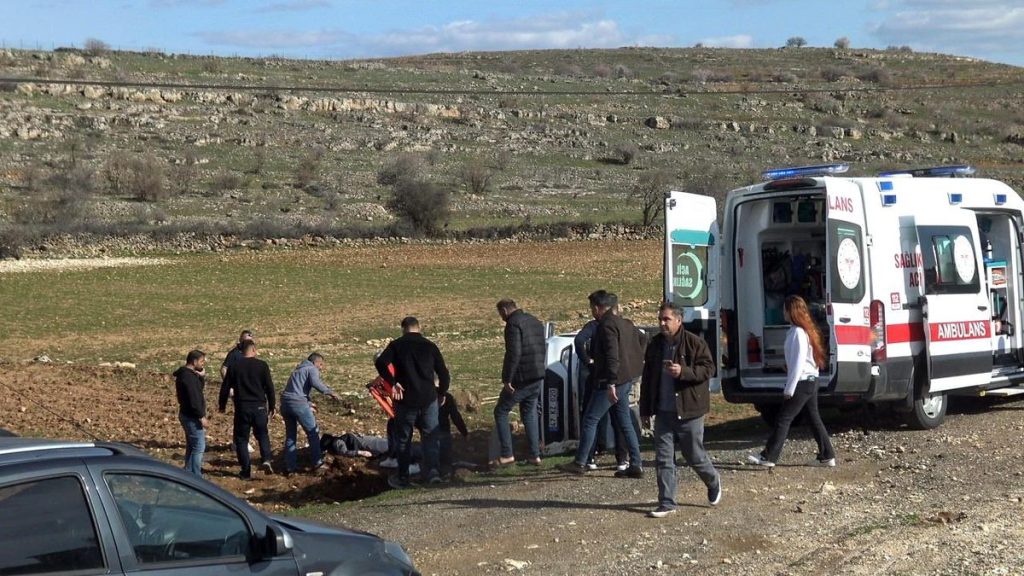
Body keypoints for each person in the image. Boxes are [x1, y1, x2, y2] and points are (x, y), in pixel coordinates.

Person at [640, 302, 722, 517]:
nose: (662, 323)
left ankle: (713, 480)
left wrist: (683, 371)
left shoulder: (695, 343)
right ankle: (667, 502)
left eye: (666, 319)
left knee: (693, 455)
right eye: (660, 319)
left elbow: (709, 369)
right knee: (663, 458)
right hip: (663, 412)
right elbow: (648, 377)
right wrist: (645, 409)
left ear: (679, 320)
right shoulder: (655, 344)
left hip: (689, 411)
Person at [562, 291, 646, 478]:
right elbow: (642, 340)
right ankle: (636, 463)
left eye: (592, 308)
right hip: (626, 379)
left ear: (598, 308)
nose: (592, 312)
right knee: (624, 421)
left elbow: (611, 355)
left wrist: (610, 382)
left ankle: (581, 461)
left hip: (610, 381)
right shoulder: (626, 323)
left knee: (590, 419)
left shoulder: (606, 325)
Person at [748, 295, 836, 468]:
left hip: (802, 382)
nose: (783, 312)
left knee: (783, 419)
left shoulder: (797, 332)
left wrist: (789, 388)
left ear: (791, 311)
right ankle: (827, 455)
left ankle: (769, 456)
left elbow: (798, 362)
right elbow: (805, 360)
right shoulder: (805, 330)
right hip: (811, 379)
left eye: (785, 309)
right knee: (813, 418)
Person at [374, 316, 450, 488]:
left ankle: (403, 477)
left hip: (405, 400)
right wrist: (442, 392)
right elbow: (444, 373)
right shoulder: (430, 346)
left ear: (403, 328)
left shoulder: (396, 345)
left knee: (404, 439)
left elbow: (381, 362)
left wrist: (392, 383)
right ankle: (432, 473)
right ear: (419, 327)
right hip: (428, 398)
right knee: (430, 435)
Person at [493, 299, 547, 467]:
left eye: (500, 314)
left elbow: (513, 353)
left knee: (501, 411)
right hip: (538, 374)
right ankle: (534, 454)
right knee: (529, 412)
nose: (501, 317)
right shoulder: (535, 321)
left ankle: (507, 454)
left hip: (521, 377)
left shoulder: (513, 324)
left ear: (504, 310)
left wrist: (507, 378)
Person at [218, 339, 276, 480]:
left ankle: (246, 470)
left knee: (241, 440)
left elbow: (225, 387)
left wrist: (222, 405)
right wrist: (272, 406)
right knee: (262, 434)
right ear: (254, 350)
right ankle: (266, 459)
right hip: (260, 406)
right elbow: (269, 387)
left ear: (241, 352)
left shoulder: (234, 366)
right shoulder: (262, 365)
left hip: (242, 407)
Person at [280, 352, 338, 475]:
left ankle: (290, 466)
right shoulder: (311, 369)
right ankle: (318, 463)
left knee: (291, 435)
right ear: (315, 362)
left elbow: (296, 389)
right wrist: (330, 392)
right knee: (313, 433)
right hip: (298, 404)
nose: (321, 368)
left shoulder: (298, 370)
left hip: (285, 403)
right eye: (321, 365)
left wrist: (309, 402)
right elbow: (316, 383)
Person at [174, 349, 208, 477]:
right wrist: (201, 417)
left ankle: (188, 472)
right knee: (199, 446)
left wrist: (201, 377)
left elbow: (198, 390)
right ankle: (195, 475)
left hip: (187, 414)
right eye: (201, 361)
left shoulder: (187, 375)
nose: (203, 364)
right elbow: (194, 398)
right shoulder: (188, 377)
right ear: (194, 361)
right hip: (192, 417)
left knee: (192, 445)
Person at [438, 391, 469, 477]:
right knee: (446, 460)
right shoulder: (446, 397)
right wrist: (464, 432)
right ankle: (446, 474)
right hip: (443, 432)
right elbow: (455, 416)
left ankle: (432, 474)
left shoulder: (424, 394)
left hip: (429, 433)